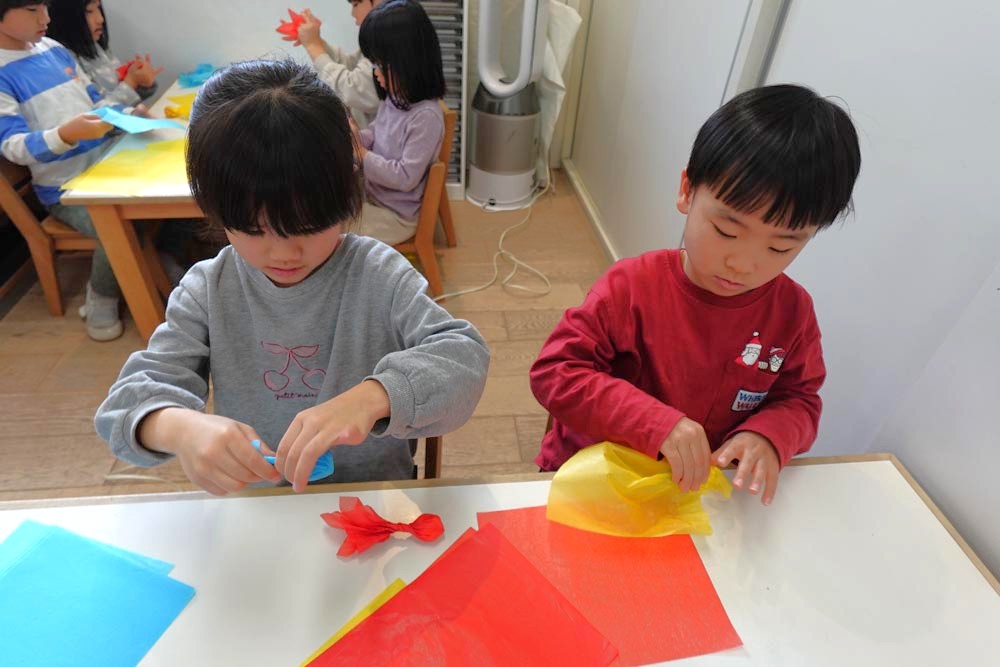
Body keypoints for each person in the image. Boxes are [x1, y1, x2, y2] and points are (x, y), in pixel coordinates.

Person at [94, 59, 490, 495]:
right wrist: (179, 428)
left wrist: (375, 396)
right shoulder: (208, 289)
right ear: (215, 209)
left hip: (374, 496)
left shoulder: (379, 274)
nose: (284, 252)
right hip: (261, 502)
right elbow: (122, 408)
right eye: (253, 229)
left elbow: (464, 358)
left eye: (308, 226)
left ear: (346, 191)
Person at [530, 84, 862, 505]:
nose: (743, 264)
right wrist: (654, 422)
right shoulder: (630, 288)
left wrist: (767, 435)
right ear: (687, 191)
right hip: (598, 479)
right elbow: (554, 372)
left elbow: (800, 399)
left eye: (780, 247)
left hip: (697, 495)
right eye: (726, 231)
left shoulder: (793, 313)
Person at [0, 0, 148, 341]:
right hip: (65, 188)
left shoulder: (54, 49)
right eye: (32, 10)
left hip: (106, 164)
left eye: (45, 7)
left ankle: (162, 264)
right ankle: (101, 297)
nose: (46, 18)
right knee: (117, 227)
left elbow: (95, 102)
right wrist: (66, 134)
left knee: (165, 197)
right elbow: (13, 146)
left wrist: (127, 114)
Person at [351, 0, 446, 245]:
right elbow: (377, 132)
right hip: (372, 196)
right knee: (322, 205)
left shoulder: (426, 117)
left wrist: (362, 155)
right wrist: (356, 139)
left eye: (380, 64)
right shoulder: (395, 98)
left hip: (395, 216)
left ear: (408, 62)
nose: (375, 72)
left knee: (329, 230)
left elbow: (405, 177)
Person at [45, 0, 162, 107]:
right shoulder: (61, 64)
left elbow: (125, 95)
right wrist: (131, 82)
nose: (100, 19)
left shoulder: (92, 45)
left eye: (98, 8)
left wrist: (142, 79)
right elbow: (96, 115)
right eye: (89, 11)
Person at [282, 1, 382, 122]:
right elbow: (351, 67)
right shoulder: (375, 40)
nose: (352, 13)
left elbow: (355, 90)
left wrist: (313, 45)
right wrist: (316, 41)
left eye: (355, 5)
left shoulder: (389, 41)